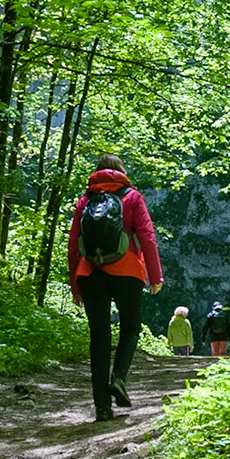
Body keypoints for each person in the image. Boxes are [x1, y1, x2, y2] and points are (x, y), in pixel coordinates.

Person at [67, 155, 163, 420]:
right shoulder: (132, 197)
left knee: (99, 338)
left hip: (90, 272)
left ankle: (102, 407)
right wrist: (155, 275)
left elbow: (74, 243)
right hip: (127, 270)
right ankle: (118, 378)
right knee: (130, 328)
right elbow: (146, 236)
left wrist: (75, 283)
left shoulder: (86, 200)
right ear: (121, 171)